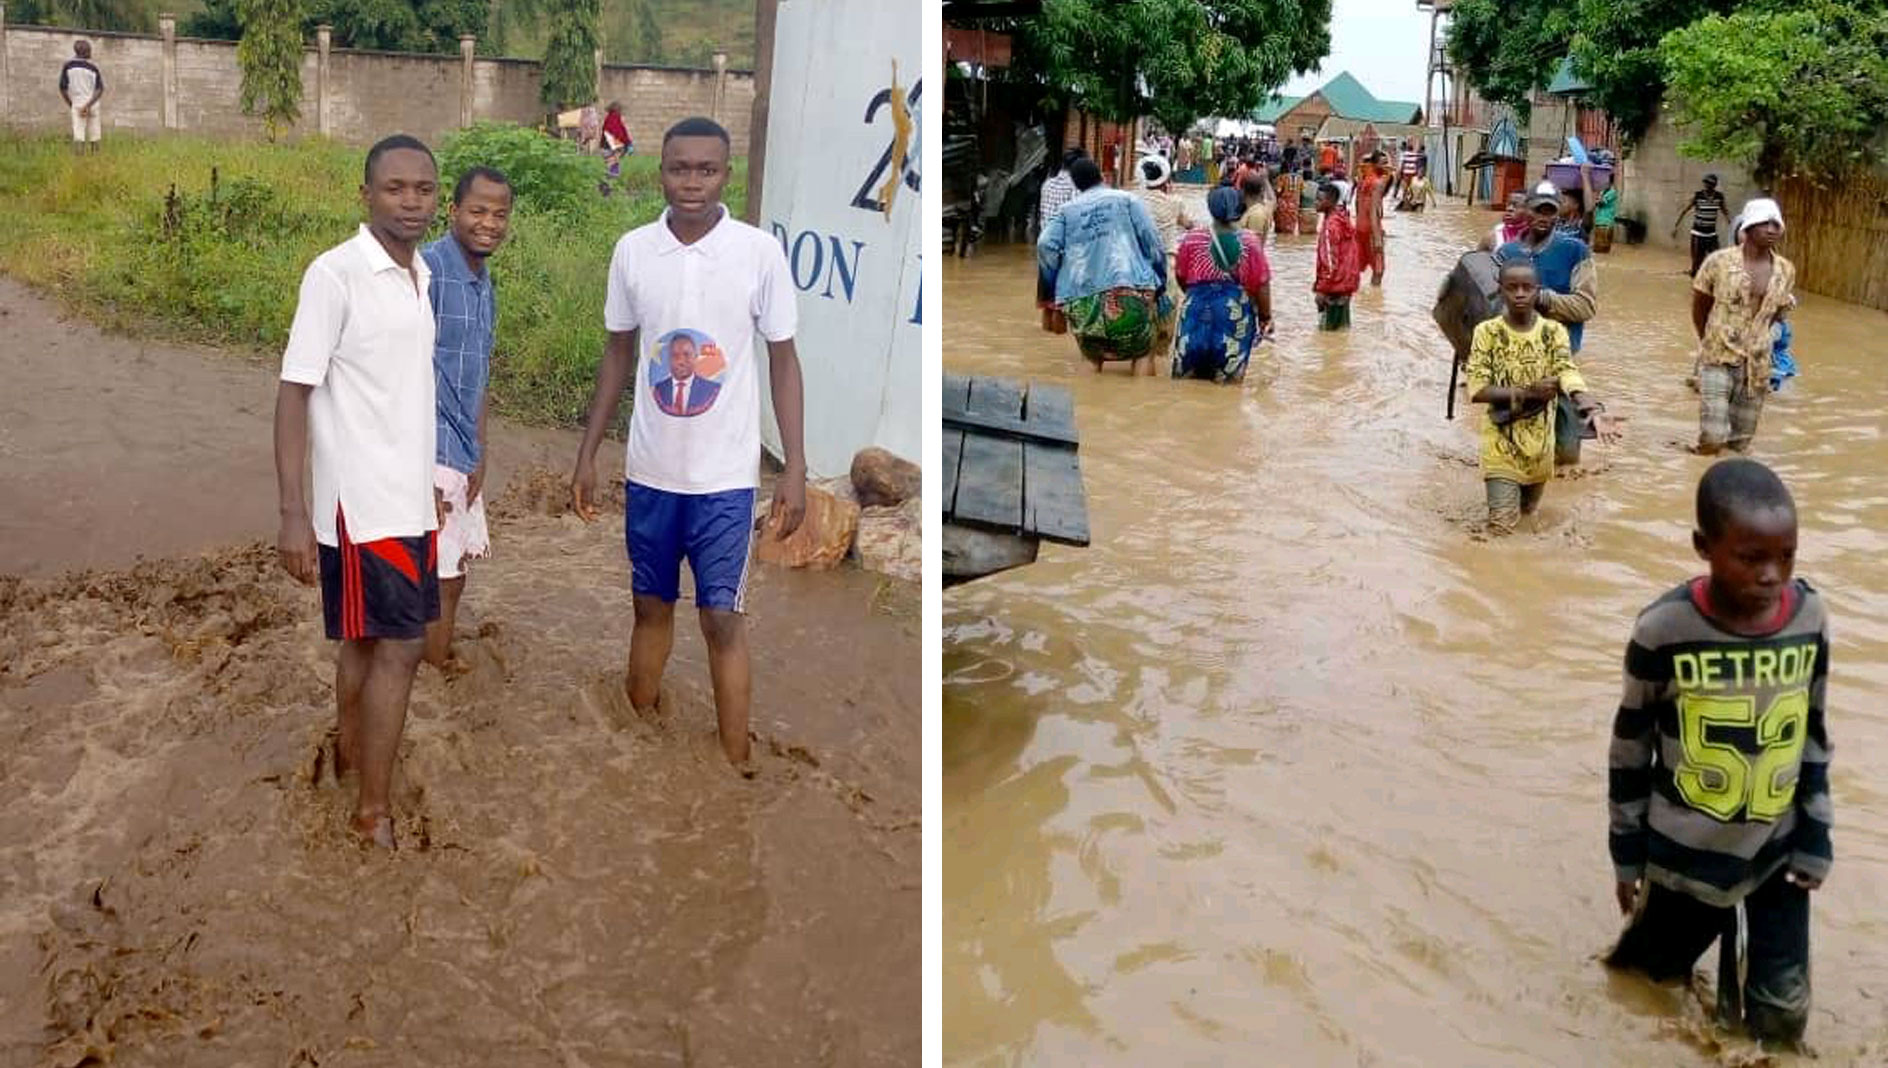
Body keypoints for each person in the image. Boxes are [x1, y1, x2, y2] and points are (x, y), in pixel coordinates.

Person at [569, 116, 808, 770]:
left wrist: (795, 470)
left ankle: (737, 767)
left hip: (725, 482)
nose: (692, 182)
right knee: (648, 607)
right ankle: (636, 748)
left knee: (722, 621)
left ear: (726, 174)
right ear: (660, 172)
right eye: (680, 168)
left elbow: (784, 362)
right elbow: (618, 355)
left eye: (706, 170)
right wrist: (590, 452)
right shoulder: (633, 252)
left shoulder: (759, 253)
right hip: (650, 474)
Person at [1605, 458, 1830, 1049]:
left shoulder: (1810, 618)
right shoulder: (1663, 630)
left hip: (1778, 853)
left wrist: (1816, 836)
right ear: (1704, 546)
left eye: (1786, 556)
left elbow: (1812, 734)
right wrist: (1627, 854)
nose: (1771, 576)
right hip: (1686, 861)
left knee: (1782, 1018)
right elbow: (1630, 749)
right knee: (1644, 985)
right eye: (1750, 558)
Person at [274, 134, 442, 849]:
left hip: (406, 498)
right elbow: (292, 393)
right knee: (402, 648)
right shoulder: (335, 275)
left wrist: (431, 483)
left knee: (367, 644)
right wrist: (291, 512)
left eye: (423, 189)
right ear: (365, 195)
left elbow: (403, 392)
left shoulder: (422, 274)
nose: (411, 201)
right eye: (396, 188)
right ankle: (372, 809)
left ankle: (349, 762)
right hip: (359, 506)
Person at [419, 166, 512, 671]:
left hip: (461, 451)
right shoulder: (427, 271)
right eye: (477, 211)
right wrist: (418, 466)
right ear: (453, 211)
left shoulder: (483, 281)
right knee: (431, 575)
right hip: (428, 449)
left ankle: (434, 670)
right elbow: (402, 372)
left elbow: (477, 371)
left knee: (451, 574)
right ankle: (423, 685)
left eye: (500, 214)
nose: (489, 223)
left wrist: (480, 450)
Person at [1465, 256, 1616, 535]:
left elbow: (1566, 371)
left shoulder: (1553, 332)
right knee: (1500, 527)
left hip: (1541, 446)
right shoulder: (1487, 333)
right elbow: (1477, 389)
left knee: (1527, 516)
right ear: (1500, 289)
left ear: (1538, 290)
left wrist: (1590, 406)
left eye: (1527, 287)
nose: (1520, 294)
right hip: (1501, 443)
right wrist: (1526, 392)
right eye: (1512, 287)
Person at [1496, 189, 1600, 464]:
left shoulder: (1575, 250)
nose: (1543, 217)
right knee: (1510, 448)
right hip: (1514, 361)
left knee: (1565, 454)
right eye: (1537, 210)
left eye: (1550, 211)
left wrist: (1542, 299)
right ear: (1525, 211)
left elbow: (1586, 306)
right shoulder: (1506, 252)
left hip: (1559, 360)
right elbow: (1490, 305)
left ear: (1558, 214)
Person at [1039, 157, 1168, 375]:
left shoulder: (1066, 211)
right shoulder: (1128, 200)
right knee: (1143, 352)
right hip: (1130, 290)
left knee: (1091, 356)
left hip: (1080, 298)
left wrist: (1052, 290)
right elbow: (1152, 241)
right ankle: (1141, 403)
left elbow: (1045, 245)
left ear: (1077, 185)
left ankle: (1086, 406)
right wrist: (1160, 281)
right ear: (1102, 176)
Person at [1692, 198, 1796, 455]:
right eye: (1764, 223)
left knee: (1740, 443)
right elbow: (1700, 305)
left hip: (1758, 366)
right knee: (1713, 436)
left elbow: (1774, 314)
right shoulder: (1718, 262)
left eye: (1776, 224)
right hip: (1718, 357)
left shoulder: (1785, 270)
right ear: (1748, 227)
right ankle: (1701, 468)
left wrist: (1757, 339)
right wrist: (1710, 339)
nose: (1772, 229)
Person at [1172, 186, 1273, 384]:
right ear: (1240, 208)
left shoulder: (1191, 239)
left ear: (1210, 208)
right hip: (1234, 316)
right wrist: (1265, 317)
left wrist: (1196, 296)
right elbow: (1262, 284)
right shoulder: (1250, 242)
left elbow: (1181, 276)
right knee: (1228, 388)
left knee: (1185, 384)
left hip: (1194, 312)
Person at [1137, 155, 1194, 345]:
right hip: (1166, 271)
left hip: (1137, 268)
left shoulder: (1134, 201)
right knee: (1162, 334)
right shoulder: (1175, 203)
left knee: (1140, 330)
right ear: (1166, 179)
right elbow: (1188, 224)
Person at [1036, 148, 1084, 333]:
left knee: (1047, 295)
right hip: (1064, 246)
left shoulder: (1047, 184)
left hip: (1044, 242)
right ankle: (1058, 336)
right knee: (1061, 299)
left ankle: (1046, 333)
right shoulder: (1076, 188)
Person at [1313, 181, 1359, 331]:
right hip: (1345, 286)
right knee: (1341, 333)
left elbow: (1330, 263)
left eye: (1319, 199)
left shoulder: (1330, 226)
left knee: (1327, 335)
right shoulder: (1342, 220)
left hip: (1333, 289)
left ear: (1330, 201)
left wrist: (1321, 289)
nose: (1315, 202)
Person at [1673, 174, 1728, 277]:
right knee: (1697, 262)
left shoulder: (1719, 197)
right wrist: (1676, 226)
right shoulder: (1698, 196)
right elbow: (1685, 210)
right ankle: (1695, 280)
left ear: (1714, 185)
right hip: (1698, 234)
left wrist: (1731, 224)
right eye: (1706, 184)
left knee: (1716, 258)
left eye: (1710, 184)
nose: (1707, 186)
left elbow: (1725, 211)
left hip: (1711, 234)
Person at [58, 41, 104, 154]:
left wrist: (71, 104)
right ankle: (96, 160)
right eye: (89, 51)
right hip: (93, 103)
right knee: (95, 135)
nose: (91, 53)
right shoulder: (93, 68)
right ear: (85, 52)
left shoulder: (68, 66)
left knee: (79, 135)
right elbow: (100, 89)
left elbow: (62, 88)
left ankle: (80, 162)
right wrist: (88, 105)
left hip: (78, 102)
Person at [1354, 153, 1388, 286]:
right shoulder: (1378, 183)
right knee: (1379, 270)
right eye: (1383, 163)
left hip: (1359, 229)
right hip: (1371, 230)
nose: (1386, 166)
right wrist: (1378, 237)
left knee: (1357, 267)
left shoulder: (1362, 182)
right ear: (1374, 165)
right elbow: (1373, 212)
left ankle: (1358, 298)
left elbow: (1357, 205)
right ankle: (1374, 299)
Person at [1238, 169, 1276, 241]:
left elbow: (1254, 243)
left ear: (1244, 192)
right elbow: (1272, 200)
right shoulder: (1262, 208)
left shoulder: (1256, 214)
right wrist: (1265, 180)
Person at [1591, 179, 1619, 253]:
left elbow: (1600, 203)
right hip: (1599, 222)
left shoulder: (1612, 192)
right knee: (1598, 248)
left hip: (1606, 223)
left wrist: (1594, 198)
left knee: (1602, 248)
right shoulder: (1602, 192)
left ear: (1610, 183)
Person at [1274, 166, 1302, 236]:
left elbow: (1278, 190)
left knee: (1280, 227)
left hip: (1284, 204)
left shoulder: (1281, 178)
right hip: (1295, 204)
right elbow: (1301, 191)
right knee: (1291, 226)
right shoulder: (1300, 178)